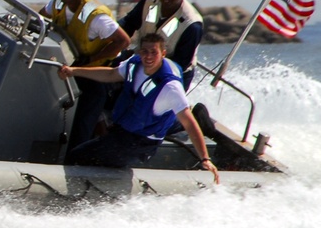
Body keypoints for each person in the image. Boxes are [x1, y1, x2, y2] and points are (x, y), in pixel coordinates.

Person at [57, 33, 220, 183]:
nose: (148, 56)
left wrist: (205, 158)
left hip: (141, 144)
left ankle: (82, 199)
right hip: (122, 132)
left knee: (77, 157)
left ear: (162, 54)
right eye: (144, 51)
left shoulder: (170, 87)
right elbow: (111, 74)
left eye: (153, 52)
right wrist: (73, 71)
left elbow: (189, 123)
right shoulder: (134, 64)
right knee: (81, 153)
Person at [40, 0, 131, 150]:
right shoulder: (59, 1)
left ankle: (77, 156)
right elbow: (41, 19)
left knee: (83, 119)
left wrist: (91, 58)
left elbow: (123, 41)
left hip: (98, 74)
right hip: (72, 68)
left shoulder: (96, 16)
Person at [119, 0, 204, 90]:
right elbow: (128, 24)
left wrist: (148, 74)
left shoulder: (191, 24)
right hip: (143, 61)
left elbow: (180, 63)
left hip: (173, 74)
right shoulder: (150, 0)